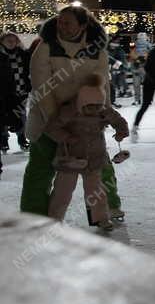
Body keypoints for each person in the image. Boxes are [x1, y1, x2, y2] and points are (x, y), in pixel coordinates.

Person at [21, 5, 125, 223]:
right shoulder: (46, 47)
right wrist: (57, 122)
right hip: (47, 119)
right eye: (60, 21)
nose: (62, 25)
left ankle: (110, 207)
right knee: (41, 168)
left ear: (82, 25)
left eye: (68, 22)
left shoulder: (97, 50)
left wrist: (103, 113)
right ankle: (34, 214)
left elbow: (102, 84)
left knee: (98, 165)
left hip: (88, 120)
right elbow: (42, 88)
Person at [45, 74, 129, 230]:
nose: (95, 110)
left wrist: (121, 132)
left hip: (94, 158)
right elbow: (52, 127)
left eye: (98, 106)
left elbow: (118, 121)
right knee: (63, 191)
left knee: (96, 192)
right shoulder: (68, 111)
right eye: (90, 106)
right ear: (81, 102)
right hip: (70, 159)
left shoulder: (103, 111)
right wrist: (67, 137)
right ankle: (54, 219)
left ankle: (101, 218)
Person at [1, 30, 31, 153]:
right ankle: (3, 140)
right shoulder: (1, 55)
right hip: (4, 92)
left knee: (21, 115)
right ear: (2, 42)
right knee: (3, 116)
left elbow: (29, 71)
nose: (11, 43)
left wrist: (29, 86)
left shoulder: (23, 54)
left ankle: (21, 138)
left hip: (21, 90)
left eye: (13, 41)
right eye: (8, 41)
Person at [130, 32, 152, 105]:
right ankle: (145, 99)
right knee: (145, 85)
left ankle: (139, 100)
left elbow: (132, 56)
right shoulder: (134, 45)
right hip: (141, 67)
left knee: (138, 85)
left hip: (140, 67)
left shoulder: (134, 45)